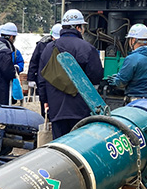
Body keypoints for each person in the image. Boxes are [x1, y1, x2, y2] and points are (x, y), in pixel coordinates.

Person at [38, 9, 103, 139]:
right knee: (79, 144)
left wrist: (44, 100)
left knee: (59, 145)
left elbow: (42, 79)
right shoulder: (87, 48)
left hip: (56, 108)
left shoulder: (49, 48)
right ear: (78, 28)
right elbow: (96, 76)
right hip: (80, 109)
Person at [105, 23, 147, 102]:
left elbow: (122, 82)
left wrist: (117, 80)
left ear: (133, 40)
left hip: (136, 101)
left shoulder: (132, 58)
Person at [28, 23, 61, 116]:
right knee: (45, 102)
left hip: (55, 79)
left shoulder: (62, 45)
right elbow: (34, 61)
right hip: (44, 78)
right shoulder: (42, 45)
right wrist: (31, 78)